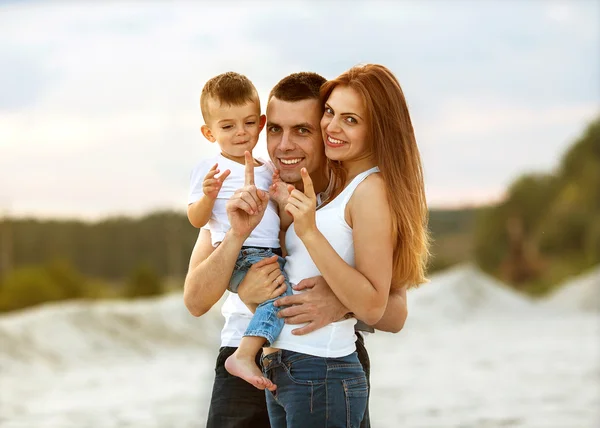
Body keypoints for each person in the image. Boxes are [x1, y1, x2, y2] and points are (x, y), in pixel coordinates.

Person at [183, 72, 410, 428]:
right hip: (242, 358)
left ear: (325, 129)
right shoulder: (252, 187)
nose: (283, 145)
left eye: (302, 130)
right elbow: (195, 301)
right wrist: (238, 262)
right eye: (274, 129)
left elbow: (395, 313)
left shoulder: (347, 199)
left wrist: (339, 303)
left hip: (321, 361)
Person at [259, 64, 430, 427]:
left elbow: (376, 305)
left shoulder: (370, 191)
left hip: (320, 369)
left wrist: (309, 233)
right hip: (288, 369)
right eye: (330, 113)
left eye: (350, 120)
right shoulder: (340, 186)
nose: (332, 128)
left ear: (377, 129)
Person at [187, 71, 293, 391]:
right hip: (237, 255)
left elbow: (282, 222)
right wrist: (208, 196)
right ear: (209, 132)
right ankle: (245, 354)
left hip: (270, 253)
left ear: (261, 124)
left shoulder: (270, 168)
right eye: (227, 126)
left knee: (286, 292)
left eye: (248, 123)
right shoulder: (210, 169)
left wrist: (281, 198)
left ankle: (258, 349)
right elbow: (196, 219)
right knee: (280, 297)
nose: (240, 133)